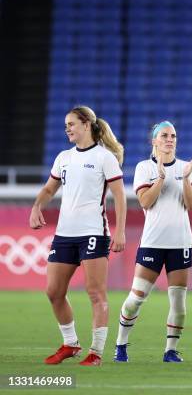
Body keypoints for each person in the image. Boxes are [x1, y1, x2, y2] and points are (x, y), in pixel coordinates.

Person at [29, 105, 126, 366]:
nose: (67, 129)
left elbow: (119, 195)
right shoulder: (63, 157)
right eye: (65, 125)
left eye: (71, 124)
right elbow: (49, 189)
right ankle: (70, 344)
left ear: (86, 124)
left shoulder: (105, 157)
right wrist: (37, 205)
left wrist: (119, 231)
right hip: (65, 234)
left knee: (95, 293)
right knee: (53, 291)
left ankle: (96, 352)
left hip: (94, 232)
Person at [113, 121, 192, 363]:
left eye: (173, 135)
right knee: (136, 297)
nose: (170, 139)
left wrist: (184, 178)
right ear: (154, 141)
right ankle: (120, 345)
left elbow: (191, 204)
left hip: (180, 243)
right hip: (153, 243)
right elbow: (146, 202)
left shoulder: (186, 167)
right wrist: (160, 179)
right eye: (164, 136)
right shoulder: (143, 168)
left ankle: (170, 350)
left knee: (179, 303)